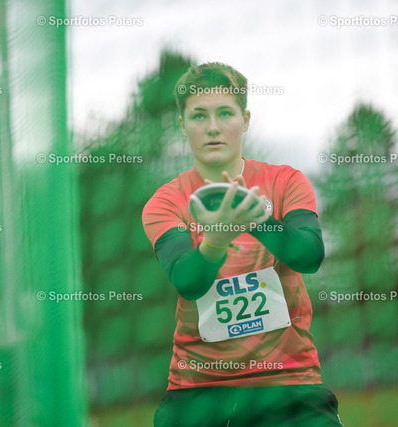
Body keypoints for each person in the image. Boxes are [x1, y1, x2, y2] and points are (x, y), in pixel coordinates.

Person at [142, 62, 342, 426]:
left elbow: (309, 255)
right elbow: (188, 280)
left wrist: (255, 220)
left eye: (225, 113)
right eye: (199, 115)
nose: (213, 127)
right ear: (183, 124)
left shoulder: (285, 181)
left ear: (245, 119)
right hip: (199, 388)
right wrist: (215, 243)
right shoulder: (166, 202)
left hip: (287, 381)